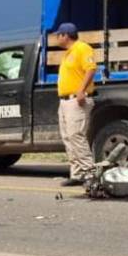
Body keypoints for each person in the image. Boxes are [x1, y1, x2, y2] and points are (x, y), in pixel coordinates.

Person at [55, 22, 97, 186]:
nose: (57, 38)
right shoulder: (67, 53)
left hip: (76, 100)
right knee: (68, 137)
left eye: (58, 35)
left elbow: (91, 68)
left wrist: (81, 90)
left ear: (65, 35)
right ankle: (77, 173)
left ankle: (89, 173)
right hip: (65, 101)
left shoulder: (82, 48)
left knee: (76, 136)